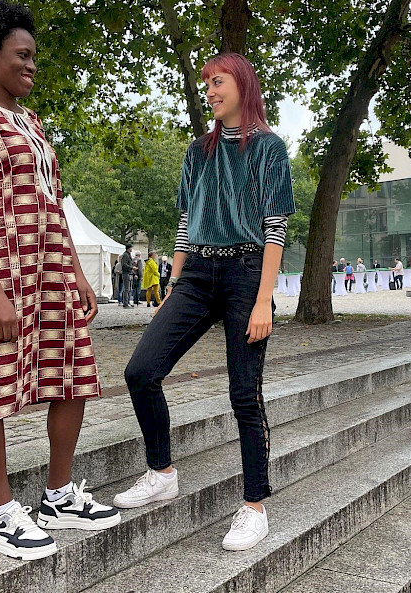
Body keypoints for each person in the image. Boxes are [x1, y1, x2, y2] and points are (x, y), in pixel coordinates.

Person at [0, 0, 119, 562]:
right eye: (22, 55)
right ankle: (0, 513)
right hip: (3, 272)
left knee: (71, 376)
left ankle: (58, 495)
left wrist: (76, 270)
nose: (31, 66)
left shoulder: (34, 125)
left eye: (34, 57)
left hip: (51, 273)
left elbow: (53, 204)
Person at [114, 52, 296, 552]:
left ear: (242, 85)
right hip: (195, 275)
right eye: (207, 85)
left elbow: (276, 228)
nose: (211, 91)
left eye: (218, 82)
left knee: (244, 392)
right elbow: (184, 222)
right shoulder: (198, 150)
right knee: (141, 371)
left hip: (246, 273)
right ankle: (161, 472)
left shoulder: (268, 149)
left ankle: (255, 506)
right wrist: (173, 281)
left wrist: (264, 300)